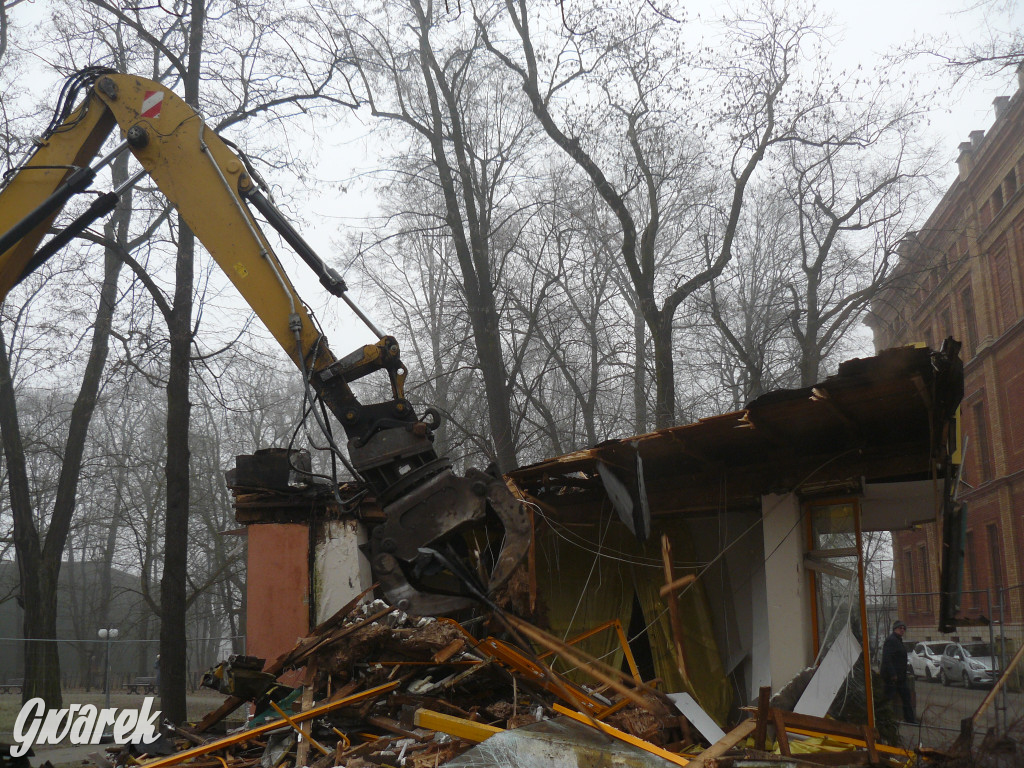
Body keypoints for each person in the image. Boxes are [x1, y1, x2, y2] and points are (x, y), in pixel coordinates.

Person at [881, 620, 916, 724]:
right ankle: (882, 718)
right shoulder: (891, 640)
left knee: (906, 697)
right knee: (888, 698)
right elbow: (887, 658)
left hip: (900, 677)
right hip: (892, 677)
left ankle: (910, 719)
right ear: (895, 629)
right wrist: (893, 674)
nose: (902, 630)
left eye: (903, 628)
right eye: (900, 628)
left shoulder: (898, 640)